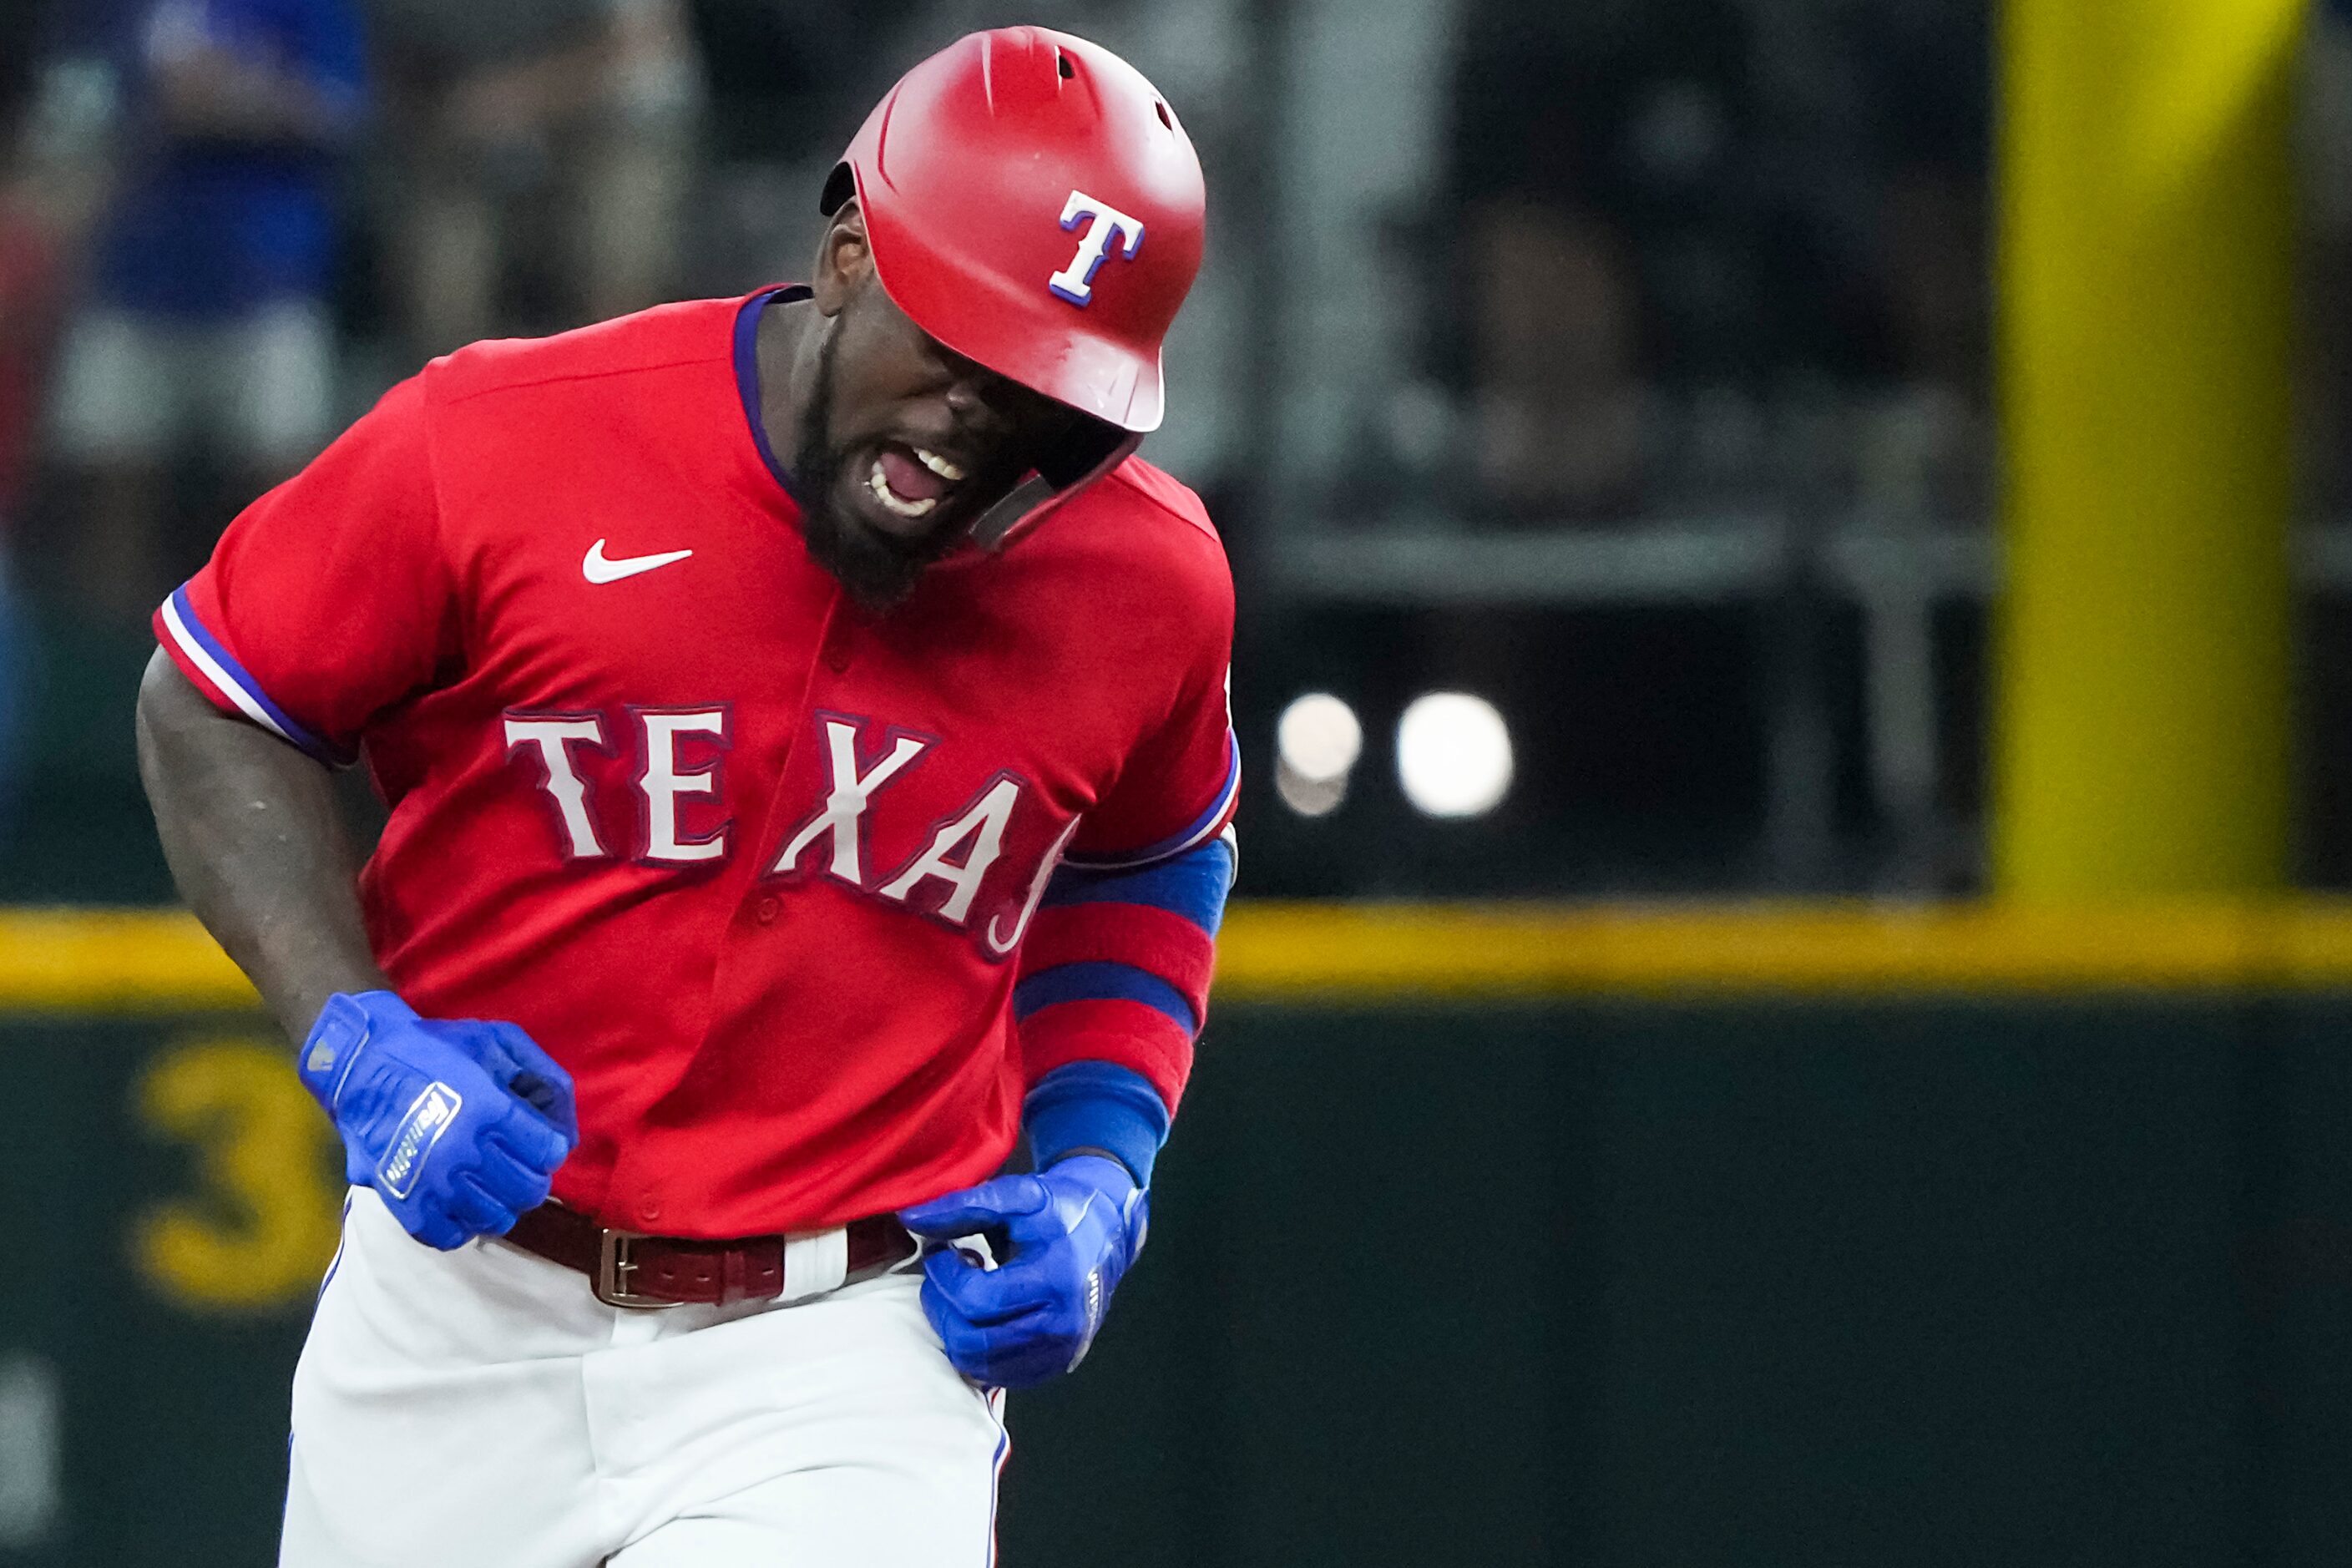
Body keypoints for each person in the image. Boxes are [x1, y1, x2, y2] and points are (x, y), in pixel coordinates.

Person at [135, 27, 1234, 1566]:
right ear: (847, 248)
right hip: (458, 1309)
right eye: (957, 349)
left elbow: (1149, 859)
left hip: (845, 1342)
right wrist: (352, 1031)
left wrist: (1101, 1167)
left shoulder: (1146, 580)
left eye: (1046, 395)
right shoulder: (506, 437)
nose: (984, 421)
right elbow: (217, 699)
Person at [48, 0, 365, 621]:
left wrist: (233, 96)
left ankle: (261, 654)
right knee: (114, 481)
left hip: (266, 268)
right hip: (133, 271)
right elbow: (74, 110)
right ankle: (113, 675)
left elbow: (344, 112)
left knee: (276, 490)